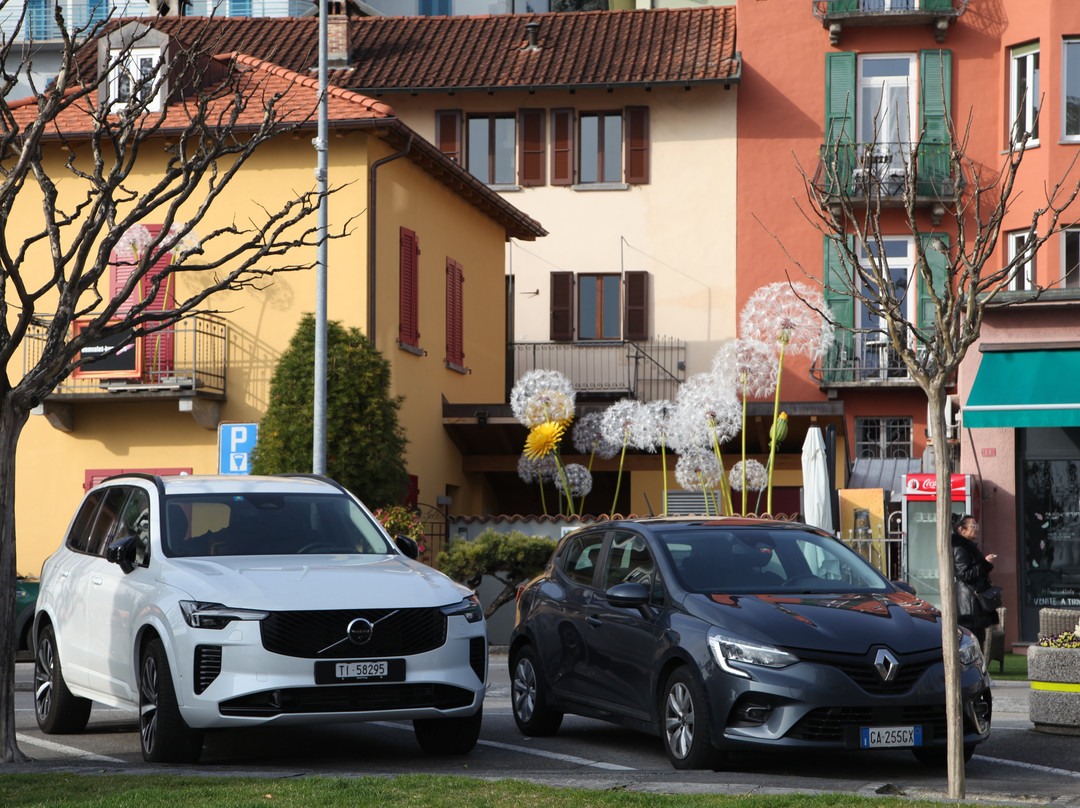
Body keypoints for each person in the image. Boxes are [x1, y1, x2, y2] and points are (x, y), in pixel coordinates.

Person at [951, 513, 999, 638]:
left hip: (973, 601)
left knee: (979, 640)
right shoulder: (960, 548)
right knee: (974, 641)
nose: (976, 528)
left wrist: (983, 562)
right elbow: (964, 574)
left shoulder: (967, 546)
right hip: (969, 603)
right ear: (962, 530)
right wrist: (984, 564)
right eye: (973, 526)